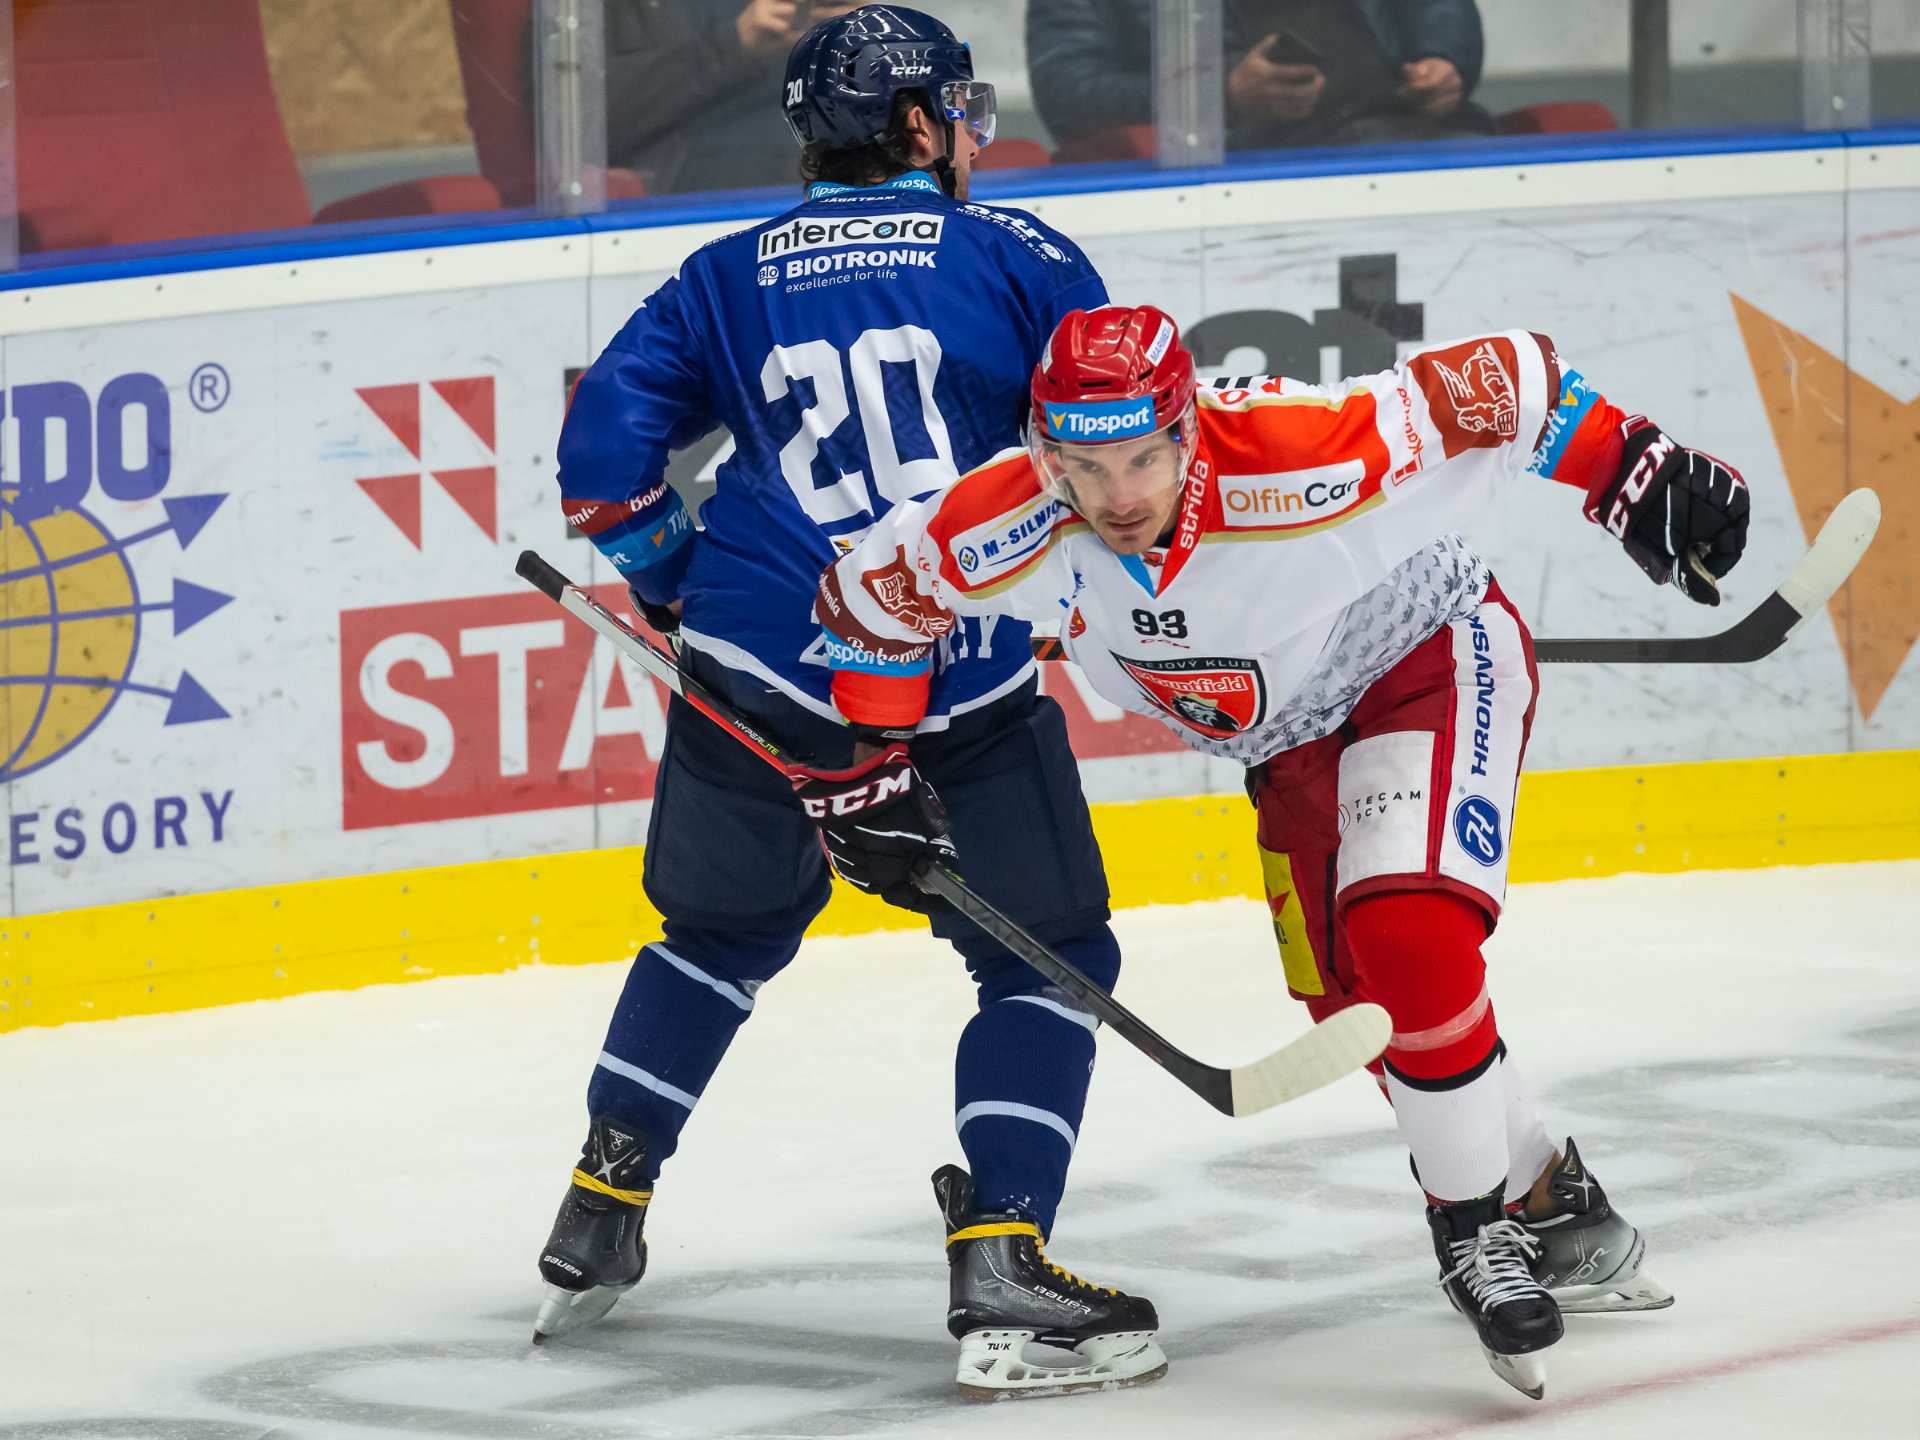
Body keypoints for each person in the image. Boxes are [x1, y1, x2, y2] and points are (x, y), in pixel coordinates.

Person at [818, 305, 1750, 1397]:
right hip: (1285, 742)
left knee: (1407, 933)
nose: (1117, 498)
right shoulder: (1012, 516)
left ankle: (1472, 1234)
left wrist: (1633, 466)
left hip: (1425, 656)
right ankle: (1553, 1201)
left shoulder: (1298, 453)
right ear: (1046, 451)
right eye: (1084, 466)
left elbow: (1509, 379)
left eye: (1142, 459)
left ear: (1187, 431)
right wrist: (869, 770)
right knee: (1353, 1005)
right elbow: (873, 604)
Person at [535, 6, 1168, 1400]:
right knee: (1049, 956)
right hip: (959, 677)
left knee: (717, 936)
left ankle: (604, 1195)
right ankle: (1002, 1247)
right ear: (922, 125)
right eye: (960, 111)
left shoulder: (722, 273)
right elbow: (1112, 445)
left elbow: (602, 469)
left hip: (760, 669)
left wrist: (680, 591)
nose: (971, 135)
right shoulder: (1018, 254)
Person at [1029, 0, 1491, 155]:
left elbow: (1438, 9)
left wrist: (1444, 59)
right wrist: (1219, 93)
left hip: (1419, 131)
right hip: (1246, 167)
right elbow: (1068, 93)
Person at [530, 0, 864, 194]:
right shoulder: (583, 11)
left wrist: (862, 40)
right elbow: (577, 131)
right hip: (691, 203)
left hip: (826, 189)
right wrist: (733, 44)